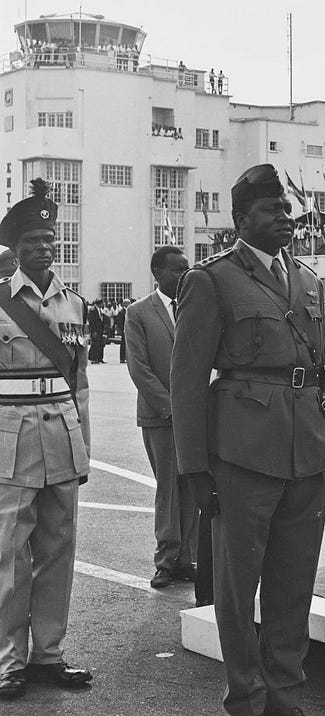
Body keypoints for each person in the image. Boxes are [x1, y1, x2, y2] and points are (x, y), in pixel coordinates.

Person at [171, 164, 325, 716]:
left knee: (294, 584)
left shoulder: (310, 281)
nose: (285, 220)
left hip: (307, 449)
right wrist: (194, 469)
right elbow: (187, 381)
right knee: (238, 590)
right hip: (242, 452)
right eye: (271, 211)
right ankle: (246, 706)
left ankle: (287, 701)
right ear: (241, 221)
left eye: (287, 210)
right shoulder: (211, 281)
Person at [0, 179, 92, 700]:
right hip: (10, 437)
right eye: (31, 239)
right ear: (14, 248)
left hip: (62, 433)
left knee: (59, 548)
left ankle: (48, 654)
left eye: (48, 238)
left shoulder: (73, 303)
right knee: (10, 554)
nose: (42, 248)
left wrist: (85, 447)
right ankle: (7, 661)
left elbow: (79, 383)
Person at [124, 246, 199, 592]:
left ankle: (187, 559)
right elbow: (138, 368)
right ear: (157, 272)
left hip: (195, 414)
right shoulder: (138, 312)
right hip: (161, 416)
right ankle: (166, 560)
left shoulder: (194, 307)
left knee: (193, 486)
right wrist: (171, 407)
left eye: (187, 268)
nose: (184, 274)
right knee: (168, 488)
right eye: (177, 269)